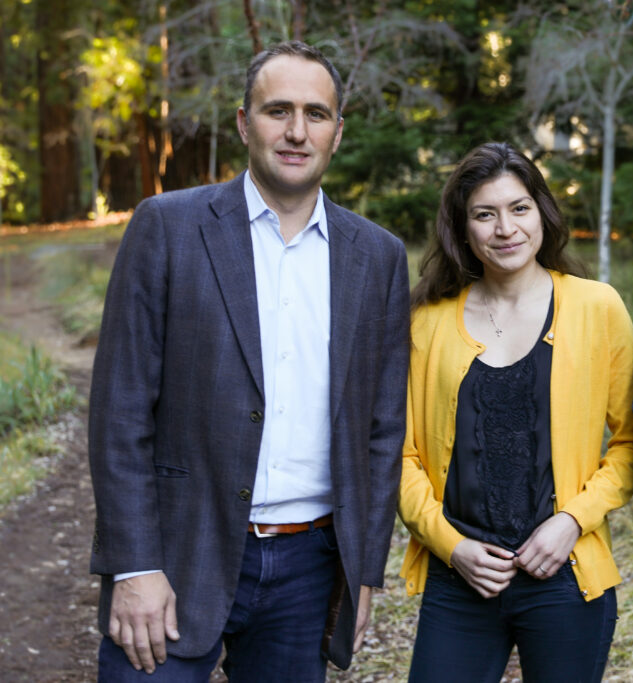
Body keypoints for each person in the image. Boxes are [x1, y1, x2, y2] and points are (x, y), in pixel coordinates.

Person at [88, 41, 409, 682]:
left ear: (338, 133)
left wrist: (364, 571)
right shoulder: (168, 227)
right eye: (278, 110)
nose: (296, 131)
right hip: (178, 556)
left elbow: (381, 430)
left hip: (309, 570)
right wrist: (134, 564)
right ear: (243, 122)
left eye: (316, 114)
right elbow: (120, 411)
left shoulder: (377, 256)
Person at [397, 142, 633, 682]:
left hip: (564, 572)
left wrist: (571, 522)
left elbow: (631, 444)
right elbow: (402, 455)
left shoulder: (597, 307)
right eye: (485, 214)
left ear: (542, 214)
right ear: (463, 229)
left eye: (519, 208)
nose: (505, 228)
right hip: (459, 577)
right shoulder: (427, 322)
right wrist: (451, 546)